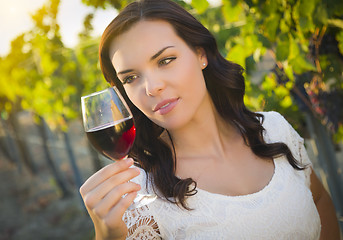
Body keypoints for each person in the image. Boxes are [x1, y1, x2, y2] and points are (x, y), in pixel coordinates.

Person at [79, 0, 340, 239]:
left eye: (165, 60)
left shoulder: (273, 129)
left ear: (201, 55)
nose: (152, 87)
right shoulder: (139, 195)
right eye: (131, 78)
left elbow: (319, 202)